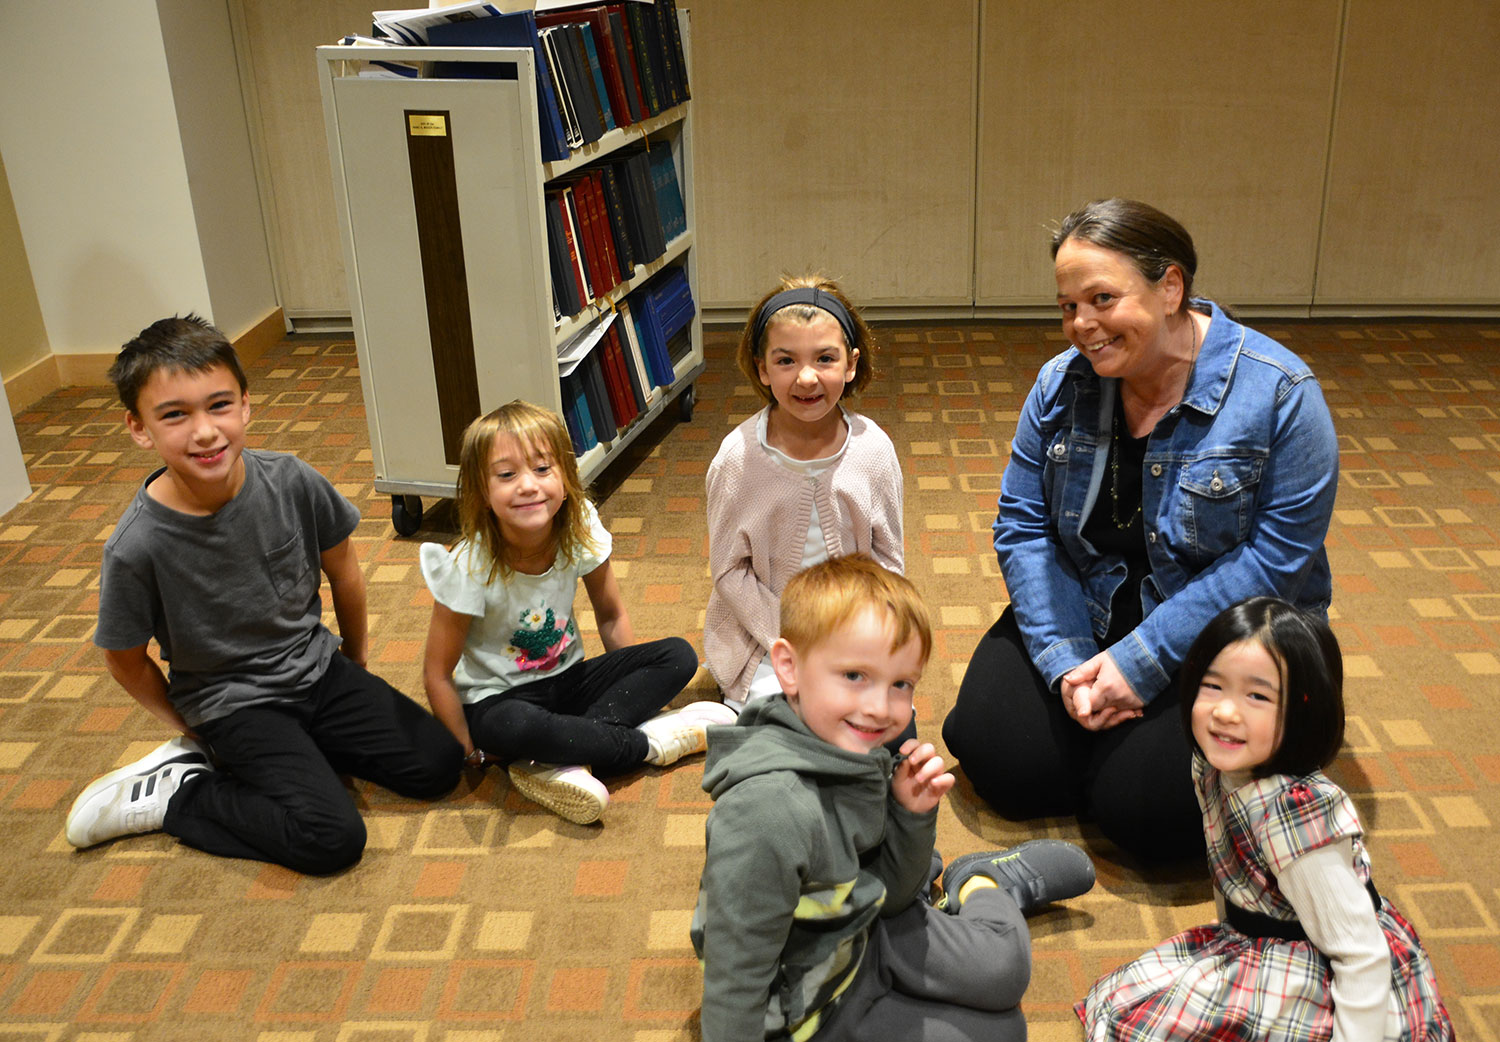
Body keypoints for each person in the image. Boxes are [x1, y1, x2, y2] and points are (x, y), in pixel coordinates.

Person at [943, 198, 1339, 862]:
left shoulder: (1280, 393)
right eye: (1068, 306)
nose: (1082, 326)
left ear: (1171, 287)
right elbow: (1022, 526)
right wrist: (1067, 661)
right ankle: (1107, 733)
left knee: (1147, 816)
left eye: (1102, 298)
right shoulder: (1059, 384)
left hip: (1230, 635)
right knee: (1004, 762)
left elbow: (1275, 562)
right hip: (1096, 606)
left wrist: (1139, 663)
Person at [693, 555, 1096, 1042]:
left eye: (901, 683)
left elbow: (895, 893)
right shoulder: (766, 816)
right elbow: (734, 985)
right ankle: (973, 890)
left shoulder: (850, 743)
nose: (881, 708)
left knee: (1006, 969)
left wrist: (910, 815)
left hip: (861, 922)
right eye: (855, 676)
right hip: (806, 1008)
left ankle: (979, 879)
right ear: (788, 667)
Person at [67, 314, 464, 873]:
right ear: (139, 427)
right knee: (331, 839)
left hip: (318, 670)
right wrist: (192, 727)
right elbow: (123, 659)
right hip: (232, 703)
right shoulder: (136, 546)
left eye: (219, 405)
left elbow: (345, 571)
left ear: (246, 404)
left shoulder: (290, 479)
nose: (205, 431)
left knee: (439, 764)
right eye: (175, 415)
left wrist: (355, 659)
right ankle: (181, 796)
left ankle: (298, 752)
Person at [1078, 598, 1495, 1042]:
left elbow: (1362, 957)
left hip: (1332, 973)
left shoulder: (1296, 814)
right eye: (1213, 686)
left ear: (1302, 710)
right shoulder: (1216, 766)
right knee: (1133, 1037)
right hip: (1261, 944)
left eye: (1257, 695)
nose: (1225, 712)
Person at [420, 400, 732, 826]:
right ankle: (645, 745)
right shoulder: (467, 567)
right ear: (481, 492)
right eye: (506, 475)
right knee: (515, 727)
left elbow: (611, 615)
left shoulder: (579, 526)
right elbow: (437, 673)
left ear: (566, 479)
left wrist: (632, 687)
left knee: (677, 656)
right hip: (500, 700)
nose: (528, 485)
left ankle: (557, 757)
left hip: (570, 681)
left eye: (542, 469)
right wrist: (470, 753)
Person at [704, 276, 904, 714]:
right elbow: (729, 570)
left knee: (878, 722)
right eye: (786, 360)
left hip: (854, 630)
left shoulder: (874, 451)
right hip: (764, 639)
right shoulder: (736, 459)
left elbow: (889, 561)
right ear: (762, 368)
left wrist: (858, 633)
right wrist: (795, 638)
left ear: (851, 364)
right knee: (787, 720)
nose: (807, 377)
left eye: (825, 358)